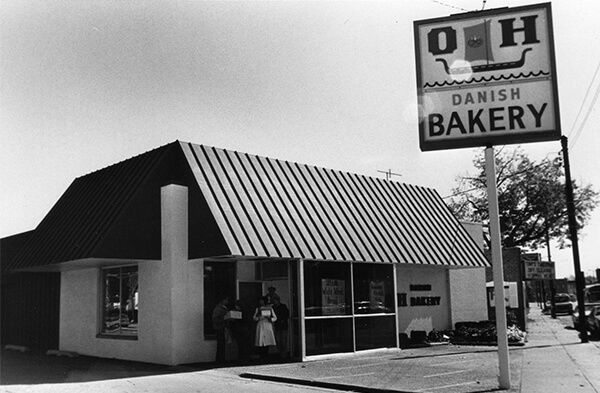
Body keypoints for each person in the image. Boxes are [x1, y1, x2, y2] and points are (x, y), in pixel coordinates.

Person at [253, 296, 277, 361]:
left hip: (267, 324)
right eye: (260, 301)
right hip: (260, 324)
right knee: (260, 340)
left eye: (262, 300)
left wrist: (270, 319)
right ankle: (261, 356)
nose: (261, 302)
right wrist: (258, 318)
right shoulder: (258, 309)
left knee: (267, 340)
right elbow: (254, 318)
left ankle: (266, 356)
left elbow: (275, 317)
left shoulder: (270, 308)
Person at [212, 295, 229, 363]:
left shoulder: (223, 308)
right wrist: (224, 319)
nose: (227, 301)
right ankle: (220, 360)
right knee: (221, 344)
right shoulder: (218, 309)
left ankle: (221, 359)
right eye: (226, 300)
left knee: (222, 344)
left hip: (222, 327)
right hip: (220, 327)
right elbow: (215, 319)